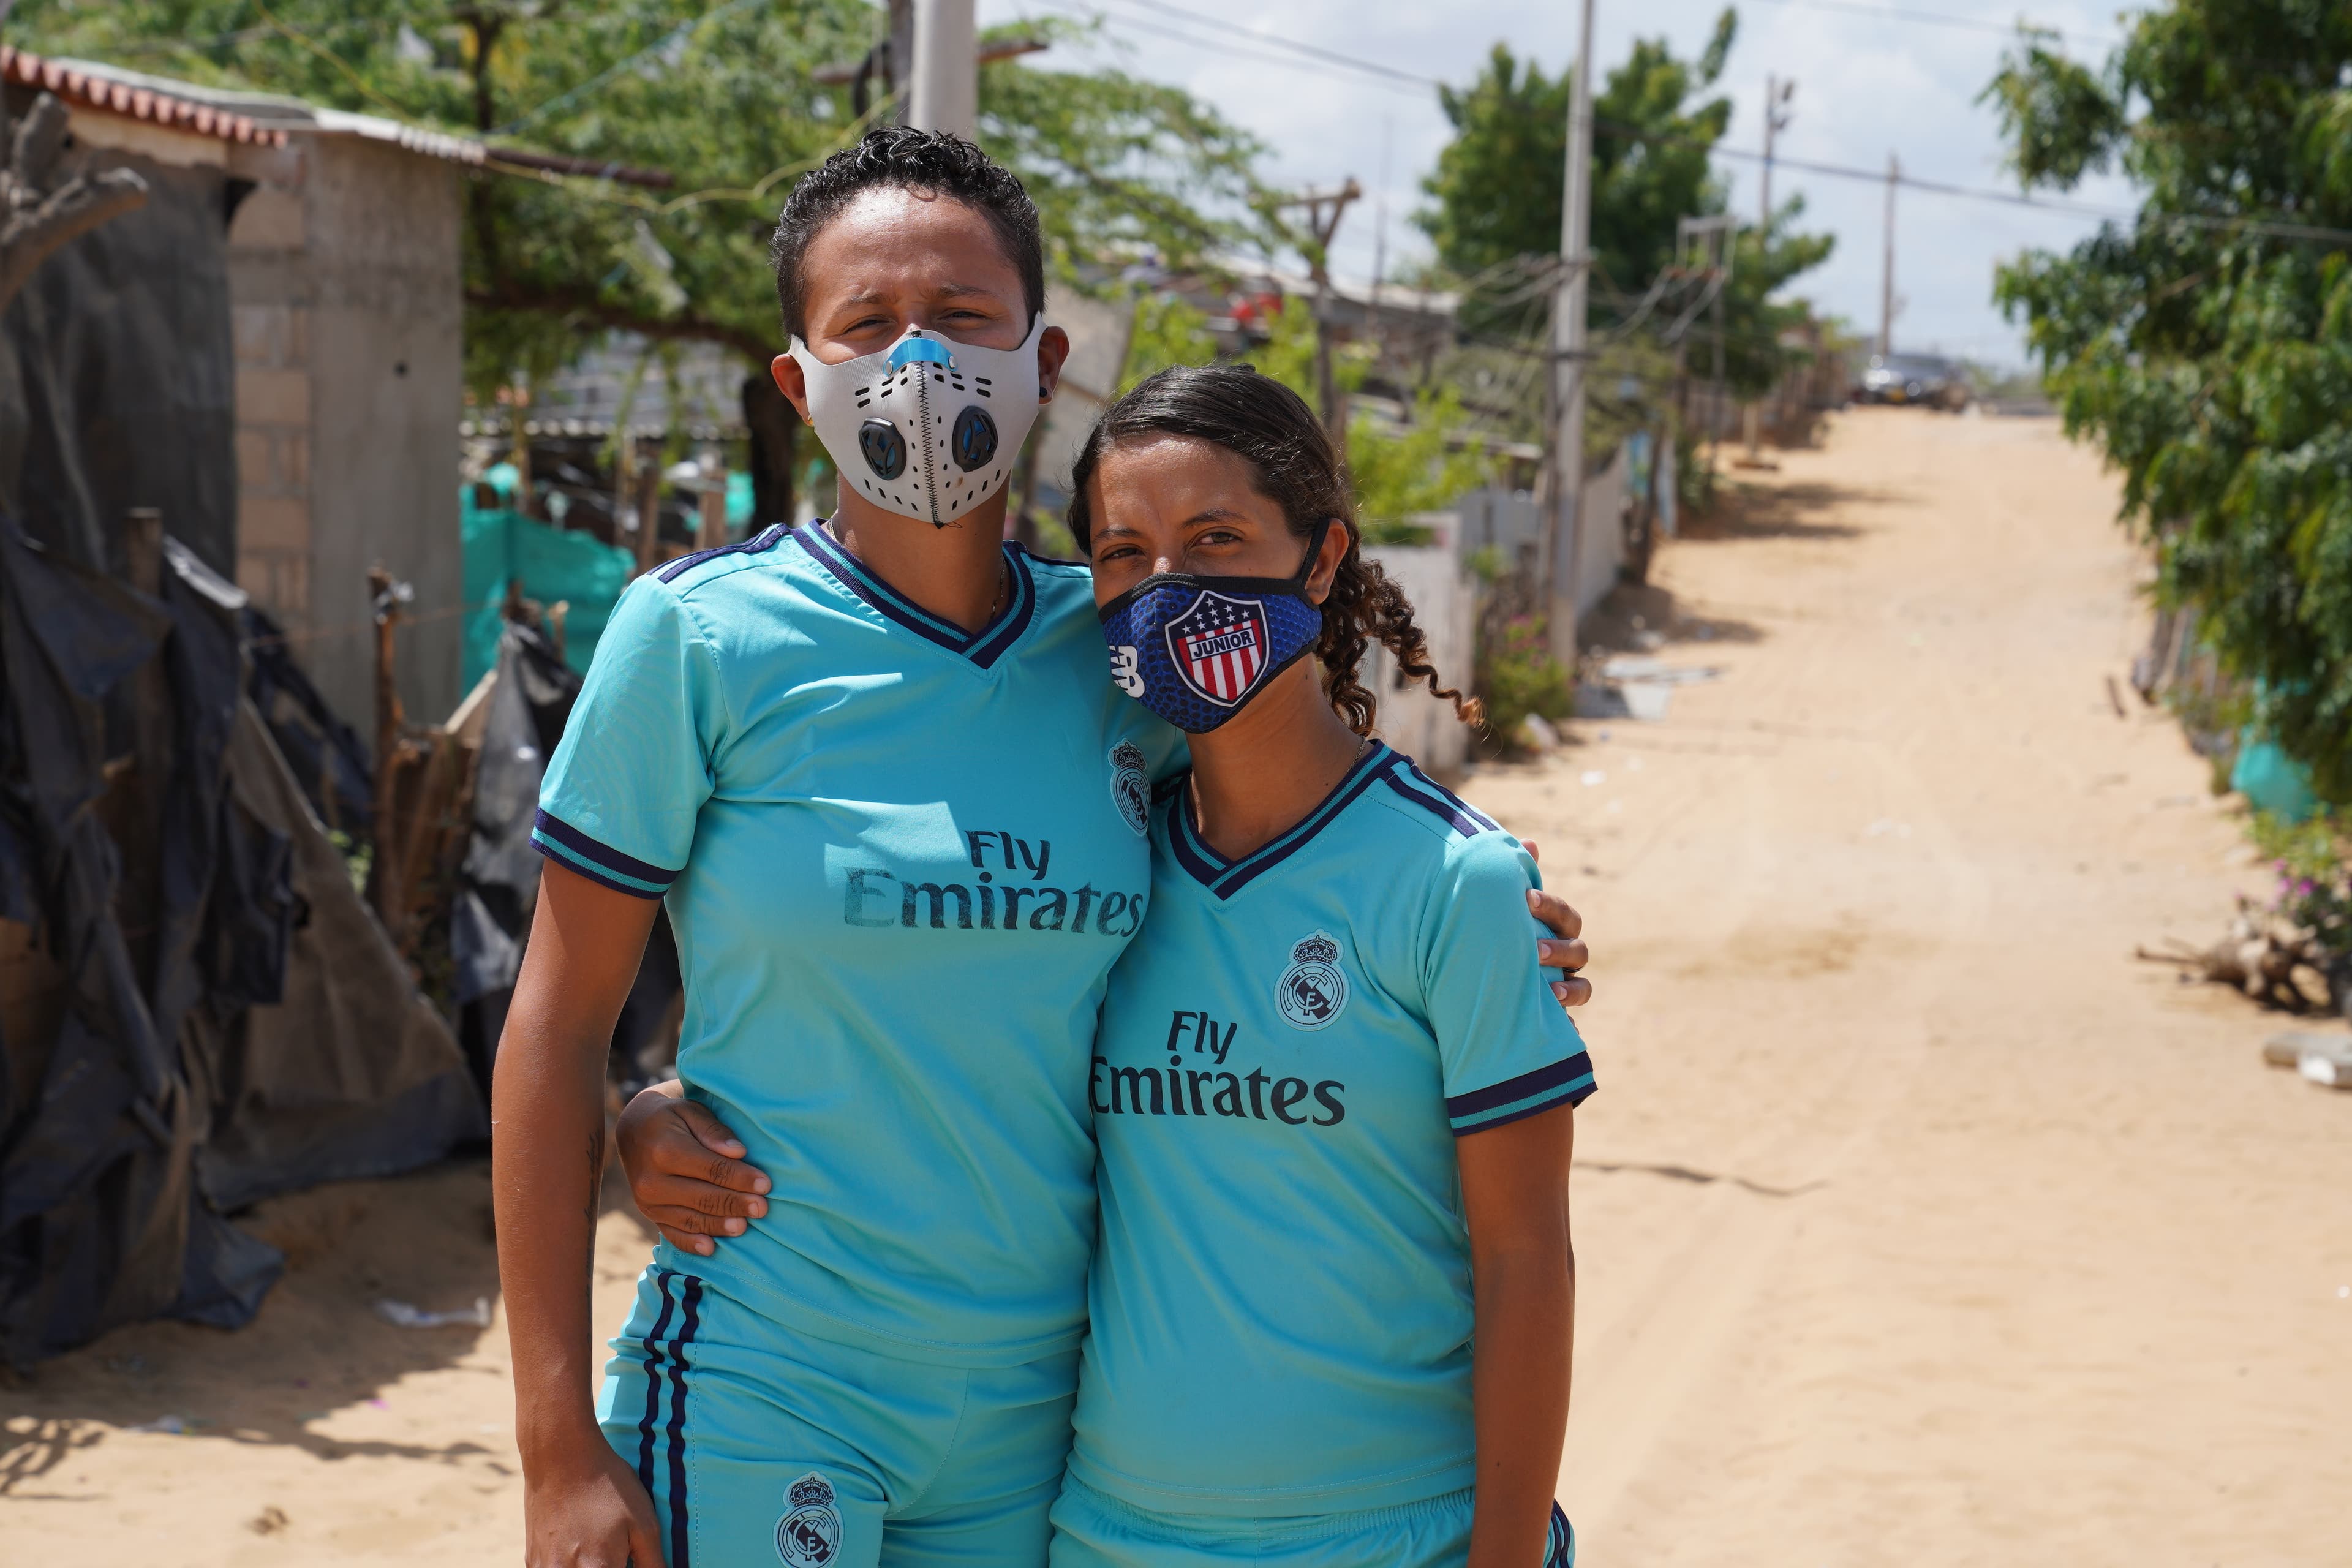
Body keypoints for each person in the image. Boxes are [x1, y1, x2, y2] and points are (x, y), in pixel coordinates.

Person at [493, 126, 1589, 1568]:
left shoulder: (1117, 647)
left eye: (962, 315)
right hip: (775, 1368)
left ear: (1042, 360)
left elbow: (1295, 827)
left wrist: (1494, 909)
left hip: (1037, 1424)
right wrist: (556, 1440)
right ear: (798, 380)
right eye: (868, 323)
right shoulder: (696, 639)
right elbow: (554, 1021)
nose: (918, 360)